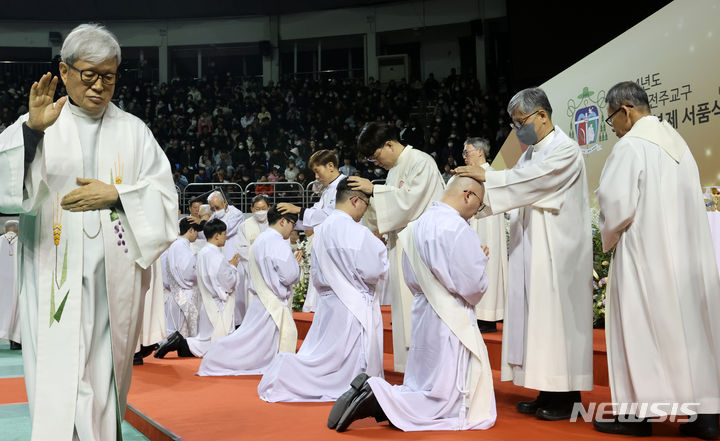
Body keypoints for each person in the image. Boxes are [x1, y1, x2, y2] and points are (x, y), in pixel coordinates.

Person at [0, 24, 177, 440]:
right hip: (51, 272)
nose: (99, 87)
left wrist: (117, 195)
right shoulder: (39, 123)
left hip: (111, 282)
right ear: (64, 71)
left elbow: (166, 202)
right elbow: (5, 188)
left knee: (103, 380)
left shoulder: (134, 131)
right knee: (58, 378)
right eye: (88, 75)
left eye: (109, 76)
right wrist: (31, 133)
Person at [454, 87, 592, 420]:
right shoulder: (532, 152)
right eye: (514, 123)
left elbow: (532, 181)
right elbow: (520, 185)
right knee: (537, 321)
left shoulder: (565, 149)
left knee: (556, 321)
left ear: (542, 115)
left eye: (521, 122)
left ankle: (567, 398)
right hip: (533, 244)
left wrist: (487, 176)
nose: (518, 130)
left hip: (557, 250)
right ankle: (546, 390)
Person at [593, 81, 720, 439]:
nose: (613, 128)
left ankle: (636, 417)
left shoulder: (631, 146)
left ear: (626, 110)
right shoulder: (678, 144)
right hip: (687, 258)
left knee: (641, 327)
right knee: (694, 333)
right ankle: (705, 416)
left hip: (646, 256)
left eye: (611, 119)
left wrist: (609, 231)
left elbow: (616, 207)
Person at [328, 177, 495, 432]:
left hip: (422, 311)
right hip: (449, 315)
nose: (476, 211)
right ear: (468, 195)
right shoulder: (456, 228)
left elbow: (410, 274)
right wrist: (480, 262)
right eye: (479, 204)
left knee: (423, 381)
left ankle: (378, 396)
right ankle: (378, 396)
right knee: (444, 397)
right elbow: (472, 287)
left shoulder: (416, 225)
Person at [258, 178, 388, 402]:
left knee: (325, 352)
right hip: (352, 303)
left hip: (328, 302)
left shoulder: (321, 229)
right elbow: (374, 270)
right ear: (355, 200)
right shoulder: (357, 231)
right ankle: (291, 371)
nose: (365, 211)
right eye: (366, 204)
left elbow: (317, 272)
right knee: (342, 359)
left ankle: (287, 369)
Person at [349, 122, 445, 373]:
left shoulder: (421, 161)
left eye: (376, 156)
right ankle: (411, 368)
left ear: (389, 144)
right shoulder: (394, 170)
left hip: (422, 249)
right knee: (404, 310)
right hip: (401, 246)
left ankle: (430, 367)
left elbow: (410, 202)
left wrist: (374, 190)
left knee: (420, 308)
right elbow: (390, 205)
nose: (375, 163)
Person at [197, 207, 300, 376]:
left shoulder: (260, 239)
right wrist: (295, 264)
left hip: (260, 298)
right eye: (292, 224)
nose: (292, 228)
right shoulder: (278, 242)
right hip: (272, 301)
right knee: (252, 344)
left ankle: (218, 354)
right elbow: (289, 276)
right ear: (283, 221)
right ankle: (218, 354)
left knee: (250, 339)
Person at [155, 219, 240, 358]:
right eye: (224, 234)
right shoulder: (213, 255)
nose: (226, 237)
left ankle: (178, 343)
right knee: (211, 341)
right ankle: (178, 342)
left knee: (206, 339)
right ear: (217, 235)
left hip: (202, 299)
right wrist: (232, 267)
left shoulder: (202, 252)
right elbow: (227, 282)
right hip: (207, 299)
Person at [450, 137, 507, 333]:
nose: (464, 157)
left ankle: (488, 317)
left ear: (480, 152)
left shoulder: (491, 175)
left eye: (468, 152)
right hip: (468, 227)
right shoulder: (464, 174)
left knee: (487, 269)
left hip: (487, 227)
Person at [277, 149, 346, 312]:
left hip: (339, 246)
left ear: (330, 166)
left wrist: (298, 210)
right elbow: (313, 217)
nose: (316, 176)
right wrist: (290, 222)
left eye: (317, 171)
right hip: (325, 247)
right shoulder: (328, 189)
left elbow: (330, 215)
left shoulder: (344, 185)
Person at [207, 190, 248, 325]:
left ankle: (238, 324)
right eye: (212, 208)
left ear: (225, 203)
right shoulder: (213, 217)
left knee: (237, 293)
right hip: (220, 259)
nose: (215, 211)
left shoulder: (236, 214)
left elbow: (226, 229)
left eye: (217, 208)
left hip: (234, 258)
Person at [165, 218, 202, 340]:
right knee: (179, 333)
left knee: (179, 331)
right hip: (183, 293)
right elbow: (187, 272)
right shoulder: (180, 246)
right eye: (196, 232)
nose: (197, 236)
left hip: (177, 292)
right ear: (191, 230)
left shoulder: (177, 244)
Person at [0, 220, 20, 349]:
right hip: (17, 281)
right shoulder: (22, 241)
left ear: (4, 230)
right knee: (17, 309)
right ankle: (16, 341)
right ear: (18, 230)